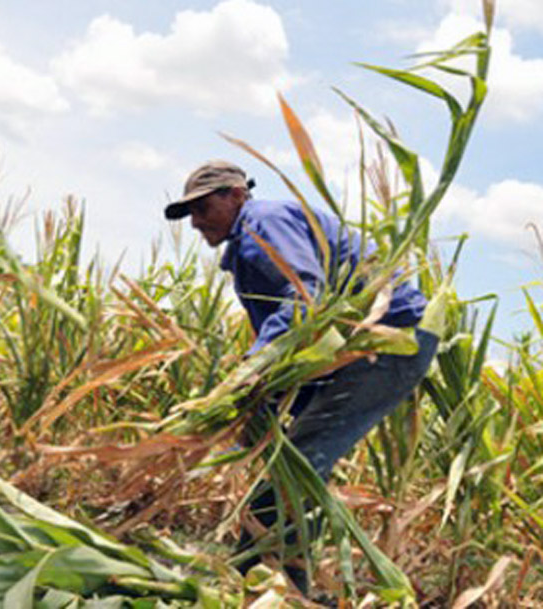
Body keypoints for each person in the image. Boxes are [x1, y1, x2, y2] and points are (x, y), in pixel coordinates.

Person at [164, 160, 437, 593]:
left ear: (236, 195)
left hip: (385, 343)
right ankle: (267, 577)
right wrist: (254, 400)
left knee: (299, 460)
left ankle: (271, 583)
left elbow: (304, 298)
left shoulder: (263, 223)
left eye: (202, 208)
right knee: (286, 456)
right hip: (345, 349)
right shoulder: (248, 244)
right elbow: (301, 324)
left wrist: (247, 374)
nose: (196, 223)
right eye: (190, 213)